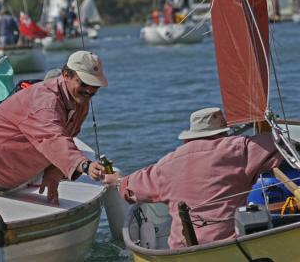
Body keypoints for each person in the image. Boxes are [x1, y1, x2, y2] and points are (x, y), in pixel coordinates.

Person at [103, 107, 283, 250]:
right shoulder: (238, 148)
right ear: (224, 132)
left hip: (183, 249)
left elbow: (132, 186)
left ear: (190, 137)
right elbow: (282, 144)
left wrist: (118, 180)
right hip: (231, 245)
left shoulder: (167, 163)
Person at [0, 50, 109, 205]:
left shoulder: (80, 101)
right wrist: (85, 165)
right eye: (83, 83)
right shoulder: (46, 101)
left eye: (95, 85)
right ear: (66, 75)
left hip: (10, 166)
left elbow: (66, 137)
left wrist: (53, 176)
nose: (89, 90)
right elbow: (52, 139)